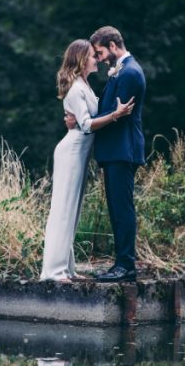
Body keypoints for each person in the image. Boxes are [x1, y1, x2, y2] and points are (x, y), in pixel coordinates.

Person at [41, 39, 133, 282]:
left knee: (73, 209)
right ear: (82, 59)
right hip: (71, 152)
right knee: (63, 209)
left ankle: (67, 268)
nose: (97, 60)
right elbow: (86, 124)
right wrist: (116, 114)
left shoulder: (84, 84)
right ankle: (54, 271)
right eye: (93, 56)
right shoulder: (75, 87)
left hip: (80, 153)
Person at [66, 26, 146, 283]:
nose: (98, 58)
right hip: (115, 151)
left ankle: (126, 266)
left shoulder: (130, 73)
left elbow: (115, 115)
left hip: (123, 149)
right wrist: (79, 117)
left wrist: (81, 121)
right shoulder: (121, 71)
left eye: (99, 52)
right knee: (116, 208)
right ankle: (121, 264)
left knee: (122, 209)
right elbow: (109, 110)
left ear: (113, 46)